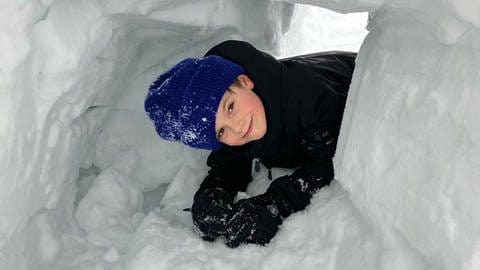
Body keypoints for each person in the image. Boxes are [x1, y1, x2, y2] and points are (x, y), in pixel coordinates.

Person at [145, 40, 356, 248]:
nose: (236, 127)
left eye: (230, 107)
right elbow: (232, 157)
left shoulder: (311, 101)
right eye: (220, 131)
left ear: (245, 81)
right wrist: (214, 192)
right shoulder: (248, 113)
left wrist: (275, 205)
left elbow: (329, 164)